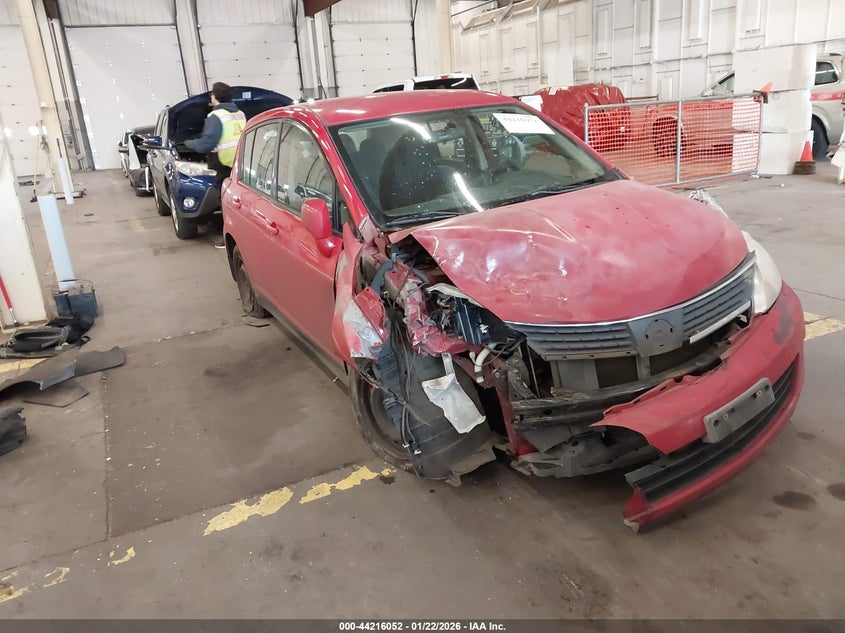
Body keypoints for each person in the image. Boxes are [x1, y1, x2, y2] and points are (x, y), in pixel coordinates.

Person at [185, 82, 246, 187]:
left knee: (222, 197)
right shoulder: (240, 114)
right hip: (241, 164)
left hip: (224, 166)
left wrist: (188, 143)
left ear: (215, 96)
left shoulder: (216, 116)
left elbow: (206, 145)